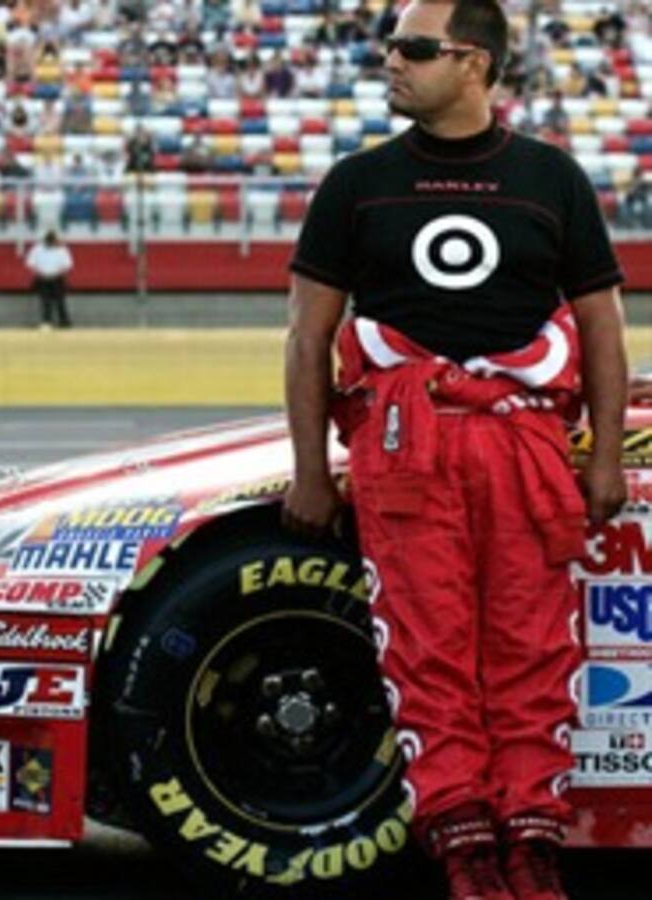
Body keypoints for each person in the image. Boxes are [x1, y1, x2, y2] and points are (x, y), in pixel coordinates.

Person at [281, 2, 628, 900]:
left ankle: (533, 834)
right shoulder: (355, 184)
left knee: (530, 646)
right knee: (427, 649)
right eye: (390, 45)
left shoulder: (551, 177)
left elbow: (601, 324)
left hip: (526, 446)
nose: (390, 61)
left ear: (473, 62)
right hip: (404, 446)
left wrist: (600, 459)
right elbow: (306, 335)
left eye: (413, 48)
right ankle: (462, 838)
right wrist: (314, 470)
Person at [25, 229, 73, 328]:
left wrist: (59, 273)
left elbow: (68, 265)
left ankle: (64, 322)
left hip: (57, 278)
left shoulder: (62, 249)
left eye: (53, 241)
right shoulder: (37, 249)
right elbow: (30, 263)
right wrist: (39, 273)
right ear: (46, 240)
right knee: (45, 301)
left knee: (60, 301)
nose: (52, 243)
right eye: (50, 241)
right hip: (42, 278)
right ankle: (47, 322)